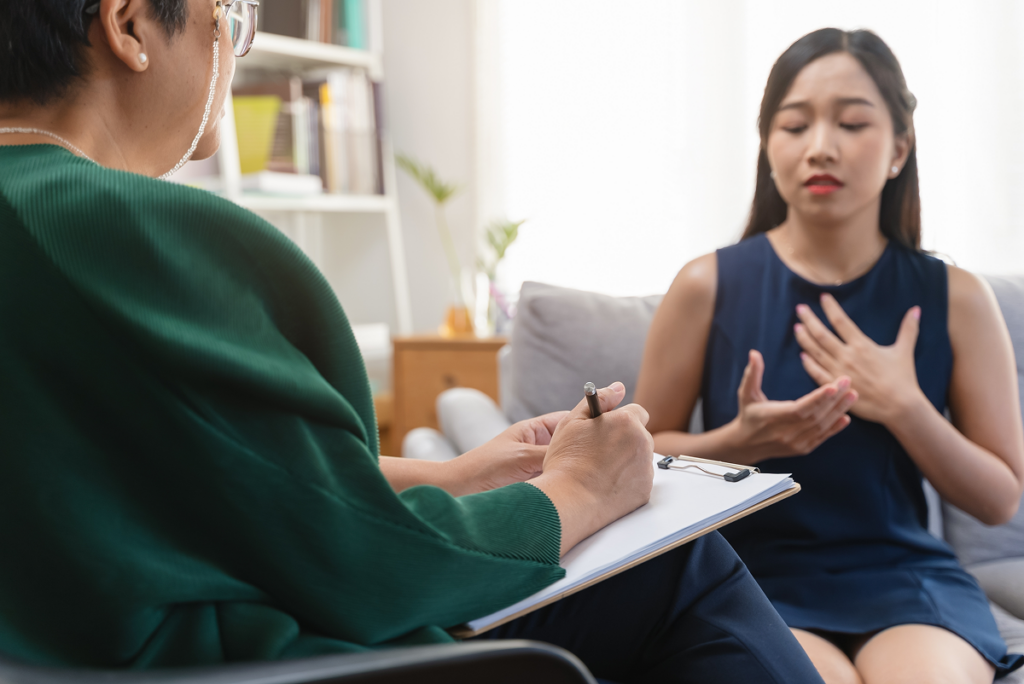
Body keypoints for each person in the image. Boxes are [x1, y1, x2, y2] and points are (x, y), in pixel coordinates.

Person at [0, 1, 829, 681]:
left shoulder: (44, 231)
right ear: (130, 24)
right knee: (680, 567)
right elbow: (360, 566)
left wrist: (456, 475)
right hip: (248, 660)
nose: (232, 47)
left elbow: (205, 479)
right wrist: (578, 490)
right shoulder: (129, 236)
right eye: (229, 16)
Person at [635, 27, 1024, 684]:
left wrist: (905, 407)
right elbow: (639, 462)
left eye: (852, 123)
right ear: (768, 145)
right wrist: (739, 443)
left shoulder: (958, 298)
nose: (821, 147)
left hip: (905, 578)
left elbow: (999, 501)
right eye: (794, 125)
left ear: (899, 147)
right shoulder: (705, 285)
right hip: (745, 577)